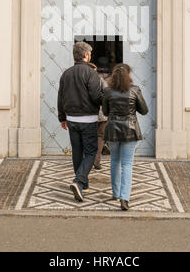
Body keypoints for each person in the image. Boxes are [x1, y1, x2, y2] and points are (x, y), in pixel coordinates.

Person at [58, 42, 102, 202]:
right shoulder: (91, 74)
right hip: (88, 119)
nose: (90, 56)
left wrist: (62, 117)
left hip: (71, 119)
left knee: (77, 152)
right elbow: (96, 96)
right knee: (91, 152)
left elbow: (60, 97)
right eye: (90, 54)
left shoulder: (66, 74)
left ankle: (83, 185)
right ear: (86, 55)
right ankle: (78, 181)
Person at [102, 63, 148, 211]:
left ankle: (115, 193)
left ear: (113, 76)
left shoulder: (108, 91)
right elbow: (144, 110)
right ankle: (124, 198)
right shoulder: (135, 90)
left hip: (113, 129)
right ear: (129, 75)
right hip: (130, 130)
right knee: (127, 164)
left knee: (114, 161)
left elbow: (105, 111)